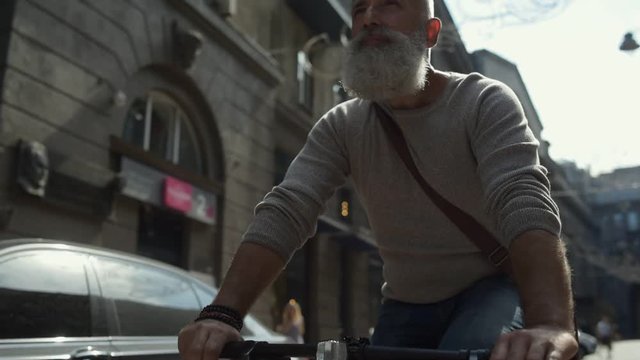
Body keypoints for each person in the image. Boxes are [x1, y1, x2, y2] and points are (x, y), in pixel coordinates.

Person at [178, 1, 579, 360]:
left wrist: (551, 324)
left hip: (490, 289)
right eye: (359, 10)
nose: (369, 17)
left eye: (389, 5)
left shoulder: (484, 101)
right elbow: (288, 208)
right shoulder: (342, 124)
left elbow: (522, 199)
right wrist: (222, 314)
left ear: (430, 33)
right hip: (405, 303)